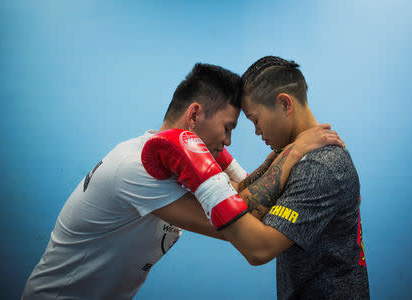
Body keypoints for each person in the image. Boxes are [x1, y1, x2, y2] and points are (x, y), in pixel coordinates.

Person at [22, 63, 343, 300]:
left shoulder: (178, 161)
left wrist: (279, 156)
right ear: (195, 115)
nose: (228, 141)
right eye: (227, 128)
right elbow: (241, 219)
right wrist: (294, 151)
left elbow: (240, 195)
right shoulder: (139, 167)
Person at [144, 57, 369, 299]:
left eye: (255, 119)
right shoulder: (296, 156)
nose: (257, 131)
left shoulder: (318, 166)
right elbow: (245, 198)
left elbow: (259, 249)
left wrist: (291, 151)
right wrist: (284, 154)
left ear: (285, 104)